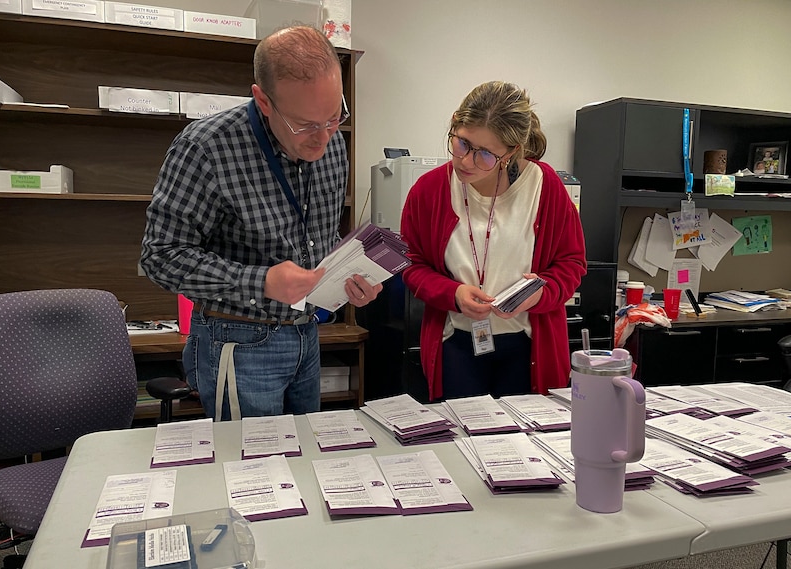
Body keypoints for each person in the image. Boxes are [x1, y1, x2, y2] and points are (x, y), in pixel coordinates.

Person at [140, 26, 380, 420]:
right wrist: (262, 282)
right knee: (250, 459)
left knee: (306, 453)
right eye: (305, 124)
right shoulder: (206, 147)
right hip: (239, 339)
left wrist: (349, 278)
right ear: (263, 101)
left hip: (307, 333)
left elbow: (317, 239)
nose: (322, 138)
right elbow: (161, 256)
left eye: (334, 117)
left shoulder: (333, 145)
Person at [400, 81, 586, 401]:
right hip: (455, 344)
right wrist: (453, 293)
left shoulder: (545, 188)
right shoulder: (429, 190)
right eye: (462, 143)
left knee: (526, 432)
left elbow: (572, 263)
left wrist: (540, 294)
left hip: (527, 346)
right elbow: (411, 264)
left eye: (485, 154)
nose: (466, 161)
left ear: (511, 152)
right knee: (460, 430)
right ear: (455, 124)